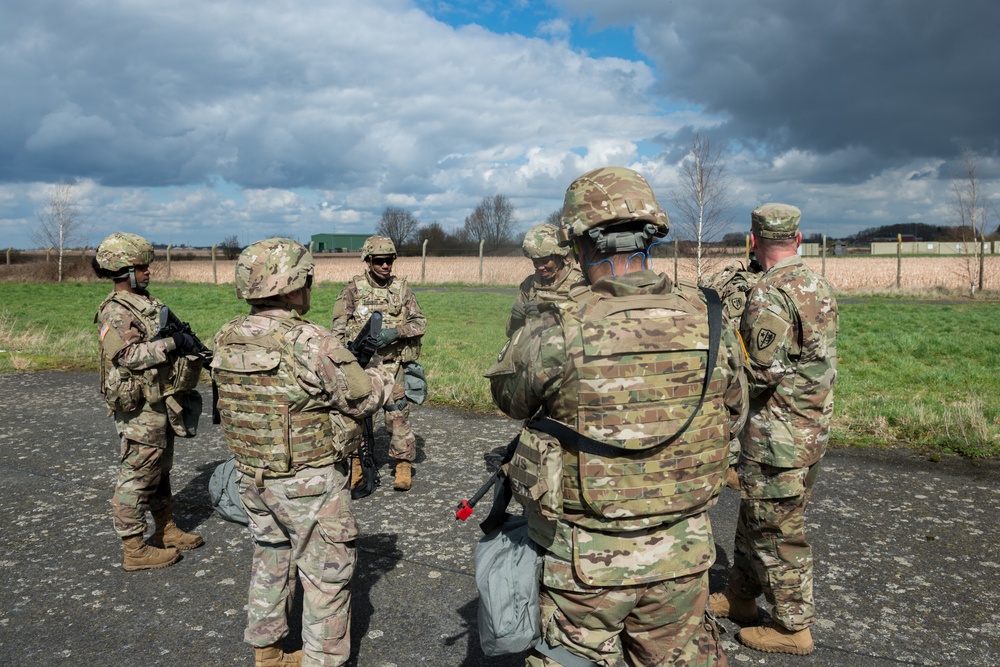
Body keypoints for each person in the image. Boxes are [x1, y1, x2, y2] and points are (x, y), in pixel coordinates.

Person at [486, 167, 748, 667]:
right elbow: (733, 409)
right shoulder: (711, 319)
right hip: (684, 553)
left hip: (587, 565)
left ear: (578, 244)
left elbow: (510, 400)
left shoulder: (557, 328)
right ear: (651, 236)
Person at [211, 238, 393, 667]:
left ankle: (267, 652)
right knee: (327, 575)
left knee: (270, 557)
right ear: (293, 285)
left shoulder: (228, 335)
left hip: (252, 476)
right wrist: (384, 376)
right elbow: (360, 400)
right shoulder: (309, 341)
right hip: (307, 482)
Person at [709, 204, 838, 656]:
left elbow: (760, 374)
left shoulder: (770, 292)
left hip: (778, 438)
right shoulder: (815, 283)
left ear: (753, 240)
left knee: (779, 531)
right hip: (811, 430)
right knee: (755, 514)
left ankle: (793, 628)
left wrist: (724, 357)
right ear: (798, 238)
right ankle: (742, 597)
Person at [92, 232, 206, 572]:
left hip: (159, 398)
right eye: (141, 267)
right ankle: (134, 548)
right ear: (122, 271)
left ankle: (165, 529)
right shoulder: (114, 311)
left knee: (161, 469)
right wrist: (173, 343)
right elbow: (126, 356)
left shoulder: (144, 302)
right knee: (137, 474)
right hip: (138, 406)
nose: (148, 272)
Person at [331, 235, 426, 491]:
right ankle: (357, 463)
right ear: (368, 260)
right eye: (380, 261)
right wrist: (343, 363)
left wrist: (395, 333)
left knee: (398, 415)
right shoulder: (352, 290)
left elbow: (420, 322)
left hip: (393, 364)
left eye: (389, 260)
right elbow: (338, 331)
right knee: (359, 416)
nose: (385, 266)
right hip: (361, 366)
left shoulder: (403, 289)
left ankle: (403, 464)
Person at [505, 222, 584, 336]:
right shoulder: (530, 285)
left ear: (559, 255)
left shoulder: (579, 284)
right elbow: (511, 334)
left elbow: (588, 329)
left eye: (545, 261)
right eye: (535, 261)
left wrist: (548, 317)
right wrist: (516, 320)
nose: (539, 267)